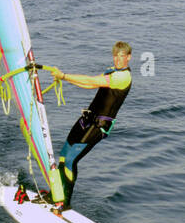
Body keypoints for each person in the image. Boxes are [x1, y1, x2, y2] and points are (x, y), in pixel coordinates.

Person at [47, 41, 132, 211]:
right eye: (115, 55)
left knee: (71, 160)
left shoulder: (123, 77)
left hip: (97, 126)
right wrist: (64, 79)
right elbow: (88, 85)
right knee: (63, 155)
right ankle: (55, 194)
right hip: (86, 120)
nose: (117, 59)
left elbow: (91, 81)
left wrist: (64, 76)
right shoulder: (112, 72)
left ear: (128, 58)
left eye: (121, 56)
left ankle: (64, 203)